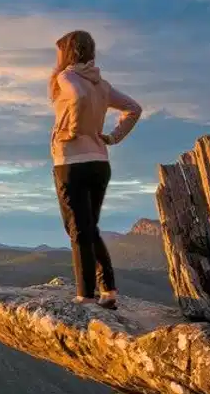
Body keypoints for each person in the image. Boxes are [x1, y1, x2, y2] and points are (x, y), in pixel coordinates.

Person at [49, 30, 141, 310]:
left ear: (67, 52)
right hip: (100, 162)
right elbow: (133, 108)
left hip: (71, 162)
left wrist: (72, 131)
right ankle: (108, 290)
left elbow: (77, 98)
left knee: (77, 229)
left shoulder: (66, 77)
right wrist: (112, 138)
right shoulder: (102, 85)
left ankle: (85, 296)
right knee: (89, 227)